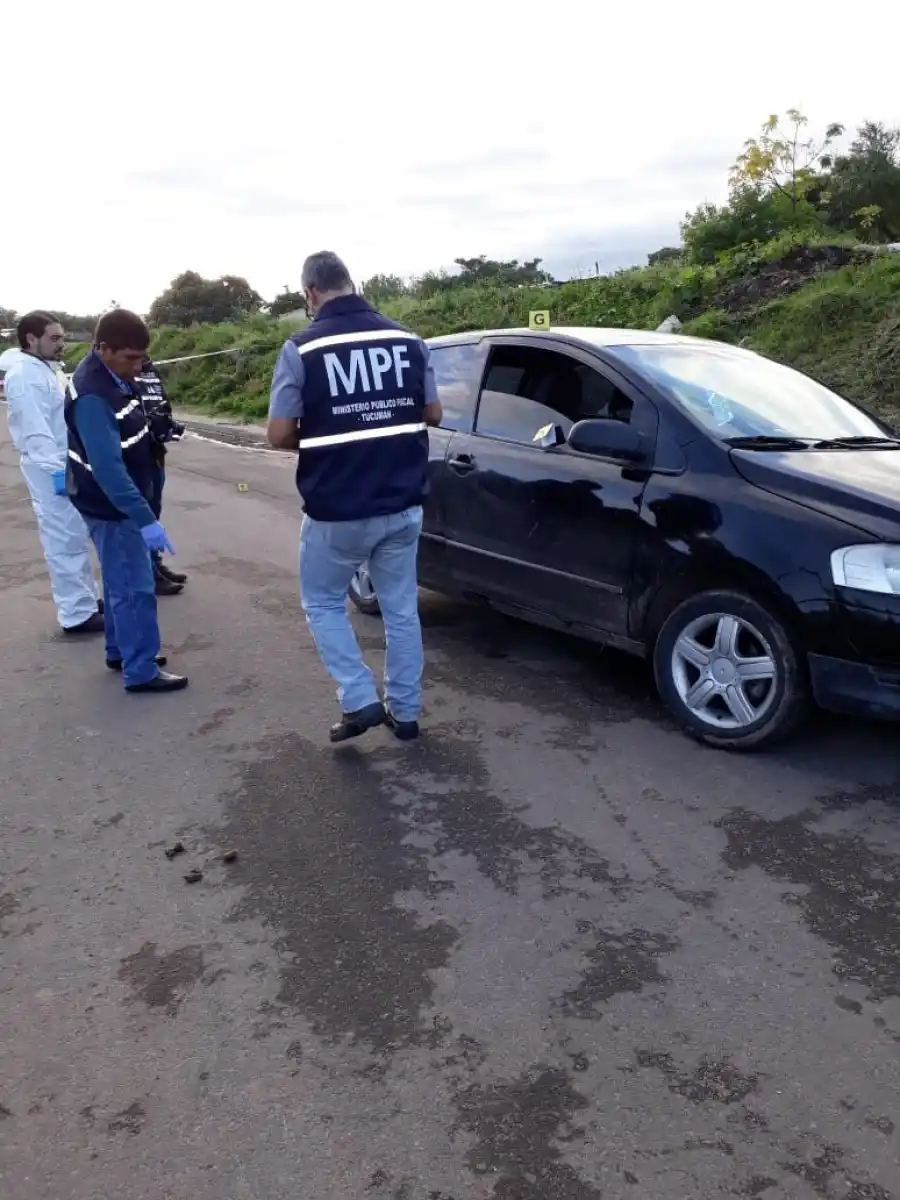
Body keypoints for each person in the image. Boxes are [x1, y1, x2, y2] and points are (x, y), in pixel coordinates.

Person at [267, 251, 442, 743]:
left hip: (337, 507)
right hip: (403, 503)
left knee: (322, 602)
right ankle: (405, 714)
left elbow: (279, 434)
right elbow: (434, 412)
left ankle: (360, 699)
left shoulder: (301, 349)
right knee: (402, 610)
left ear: (310, 293)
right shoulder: (408, 341)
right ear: (351, 283)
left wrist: (337, 426)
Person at [65, 309, 187, 693]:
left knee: (120, 582)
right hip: (112, 506)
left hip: (115, 503)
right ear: (103, 349)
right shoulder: (93, 395)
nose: (138, 365)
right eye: (130, 357)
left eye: (142, 357)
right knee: (134, 588)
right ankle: (141, 668)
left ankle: (122, 651)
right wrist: (143, 518)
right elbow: (109, 470)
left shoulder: (111, 377)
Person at [3, 313, 103, 635]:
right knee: (64, 540)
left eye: (61, 337)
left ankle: (85, 600)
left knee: (74, 535)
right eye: (55, 338)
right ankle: (77, 613)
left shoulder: (45, 369)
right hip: (51, 469)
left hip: (63, 464)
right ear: (31, 339)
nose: (62, 344)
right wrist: (59, 474)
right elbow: (35, 433)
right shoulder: (25, 376)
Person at [134, 358, 188, 595]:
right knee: (143, 514)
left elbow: (160, 402)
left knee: (154, 509)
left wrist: (168, 425)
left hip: (156, 450)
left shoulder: (149, 369)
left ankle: (154, 563)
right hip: (135, 452)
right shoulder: (118, 369)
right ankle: (147, 572)